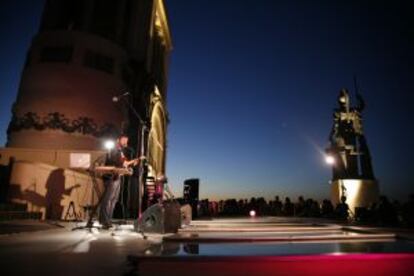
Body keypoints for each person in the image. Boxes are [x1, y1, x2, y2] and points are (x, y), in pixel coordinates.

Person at [99, 134, 143, 229]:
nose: (126, 142)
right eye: (124, 140)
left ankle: (108, 220)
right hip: (110, 177)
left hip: (117, 177)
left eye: (126, 140)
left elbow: (125, 164)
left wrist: (134, 162)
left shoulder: (120, 151)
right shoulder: (114, 149)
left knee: (114, 199)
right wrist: (135, 160)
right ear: (118, 140)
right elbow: (121, 163)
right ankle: (104, 220)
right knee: (108, 199)